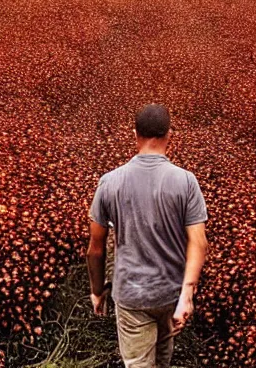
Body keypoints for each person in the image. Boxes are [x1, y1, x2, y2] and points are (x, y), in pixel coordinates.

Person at [87, 103, 209, 368]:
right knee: (162, 361)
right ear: (169, 135)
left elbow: (96, 248)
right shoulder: (186, 181)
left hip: (131, 295)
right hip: (170, 294)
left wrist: (98, 291)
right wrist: (186, 295)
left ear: (134, 134)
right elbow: (198, 243)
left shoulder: (110, 182)